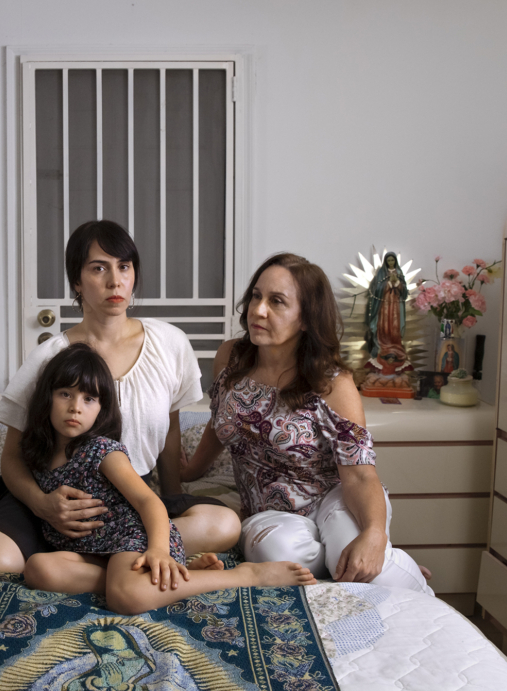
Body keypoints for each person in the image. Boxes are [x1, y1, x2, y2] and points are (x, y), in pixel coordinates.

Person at [0, 221, 242, 575]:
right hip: (53, 494)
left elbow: (170, 430)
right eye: (99, 268)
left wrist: (168, 500)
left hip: (126, 497)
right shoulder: (51, 357)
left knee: (226, 525)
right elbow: (11, 456)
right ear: (77, 281)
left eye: (124, 267)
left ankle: (91, 566)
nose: (115, 281)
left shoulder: (170, 343)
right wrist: (43, 505)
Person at [182, 253, 433, 595]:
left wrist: (375, 535)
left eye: (277, 301)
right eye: (256, 296)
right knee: (276, 554)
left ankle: (396, 569)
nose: (258, 310)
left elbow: (360, 474)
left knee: (359, 564)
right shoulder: (230, 358)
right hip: (268, 512)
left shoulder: (333, 383)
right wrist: (192, 469)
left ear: (306, 318)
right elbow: (221, 419)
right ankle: (349, 555)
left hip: (333, 498)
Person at [21, 344, 315, 615]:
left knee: (125, 598)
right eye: (65, 394)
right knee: (38, 569)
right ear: (47, 396)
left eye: (89, 399)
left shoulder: (101, 450)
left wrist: (159, 550)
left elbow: (148, 501)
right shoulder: (38, 455)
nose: (75, 407)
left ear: (101, 409)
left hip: (131, 537)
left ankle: (244, 576)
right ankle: (165, 578)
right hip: (91, 551)